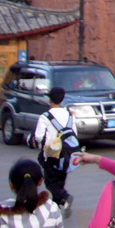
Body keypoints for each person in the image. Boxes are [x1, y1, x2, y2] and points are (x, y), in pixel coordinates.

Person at [32, 86, 78, 216]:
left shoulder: (45, 116)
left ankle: (65, 197)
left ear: (49, 99)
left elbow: (38, 136)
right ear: (62, 99)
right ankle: (58, 207)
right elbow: (74, 133)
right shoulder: (70, 115)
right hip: (66, 153)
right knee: (60, 180)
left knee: (50, 182)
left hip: (51, 152)